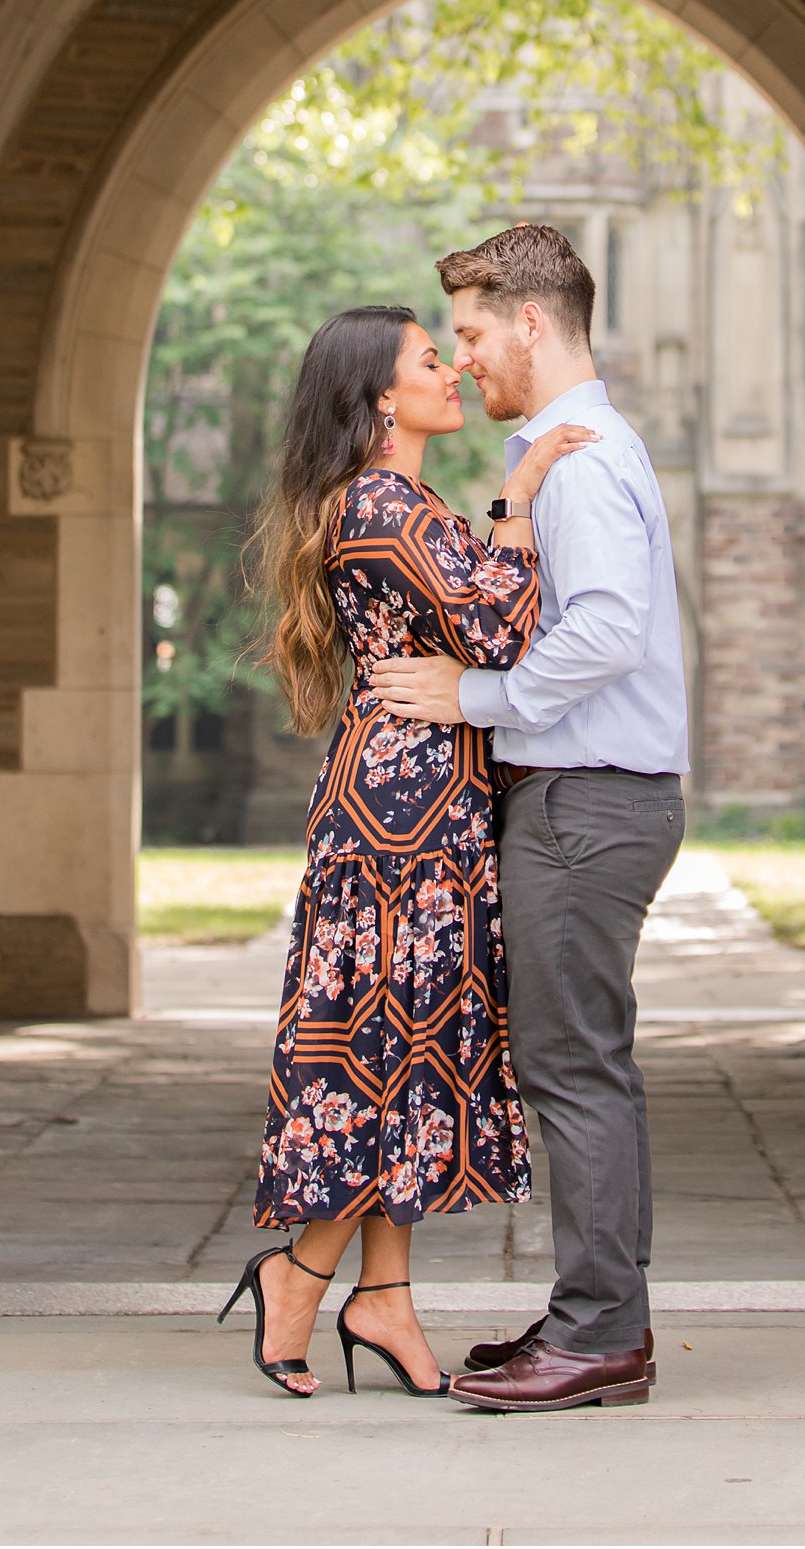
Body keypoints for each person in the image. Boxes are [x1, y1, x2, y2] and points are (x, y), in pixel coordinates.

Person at [227, 303, 592, 1399]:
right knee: (386, 1049)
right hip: (401, 816)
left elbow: (472, 621)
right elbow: (503, 627)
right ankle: (300, 1275)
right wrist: (518, 500)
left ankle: (382, 1296)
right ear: (382, 398)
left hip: (425, 800)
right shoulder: (381, 506)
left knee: (414, 1045)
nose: (450, 370)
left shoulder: (396, 500)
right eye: (429, 360)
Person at [370, 225, 689, 1416]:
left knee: (573, 1066)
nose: (461, 358)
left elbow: (604, 627)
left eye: (467, 331)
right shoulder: (566, 454)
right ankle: (593, 1319)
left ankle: (602, 1334)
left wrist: (477, 697)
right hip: (582, 798)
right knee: (575, 1061)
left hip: (586, 800)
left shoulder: (590, 457)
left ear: (531, 322)